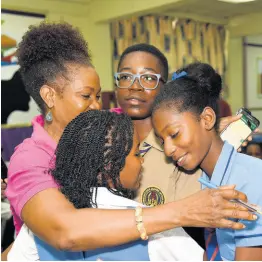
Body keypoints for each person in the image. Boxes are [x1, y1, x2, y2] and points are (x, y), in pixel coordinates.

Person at [4, 22, 255, 255]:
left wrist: (201, 128)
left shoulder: (105, 127)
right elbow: (64, 231)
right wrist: (183, 211)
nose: (96, 106)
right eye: (85, 96)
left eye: (98, 95)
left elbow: (152, 118)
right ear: (49, 96)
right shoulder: (31, 158)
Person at [8, 110, 204, 261]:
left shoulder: (42, 226)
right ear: (110, 165)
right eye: (136, 154)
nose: (141, 162)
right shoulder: (157, 227)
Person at [112, 43, 248, 249]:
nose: (135, 86)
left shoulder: (187, 152)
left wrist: (210, 138)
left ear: (165, 87)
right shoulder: (103, 142)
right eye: (126, 76)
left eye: (148, 78)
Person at [151, 62, 262, 261]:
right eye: (161, 140)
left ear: (208, 119)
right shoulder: (208, 179)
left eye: (174, 134)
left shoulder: (249, 181)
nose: (168, 150)